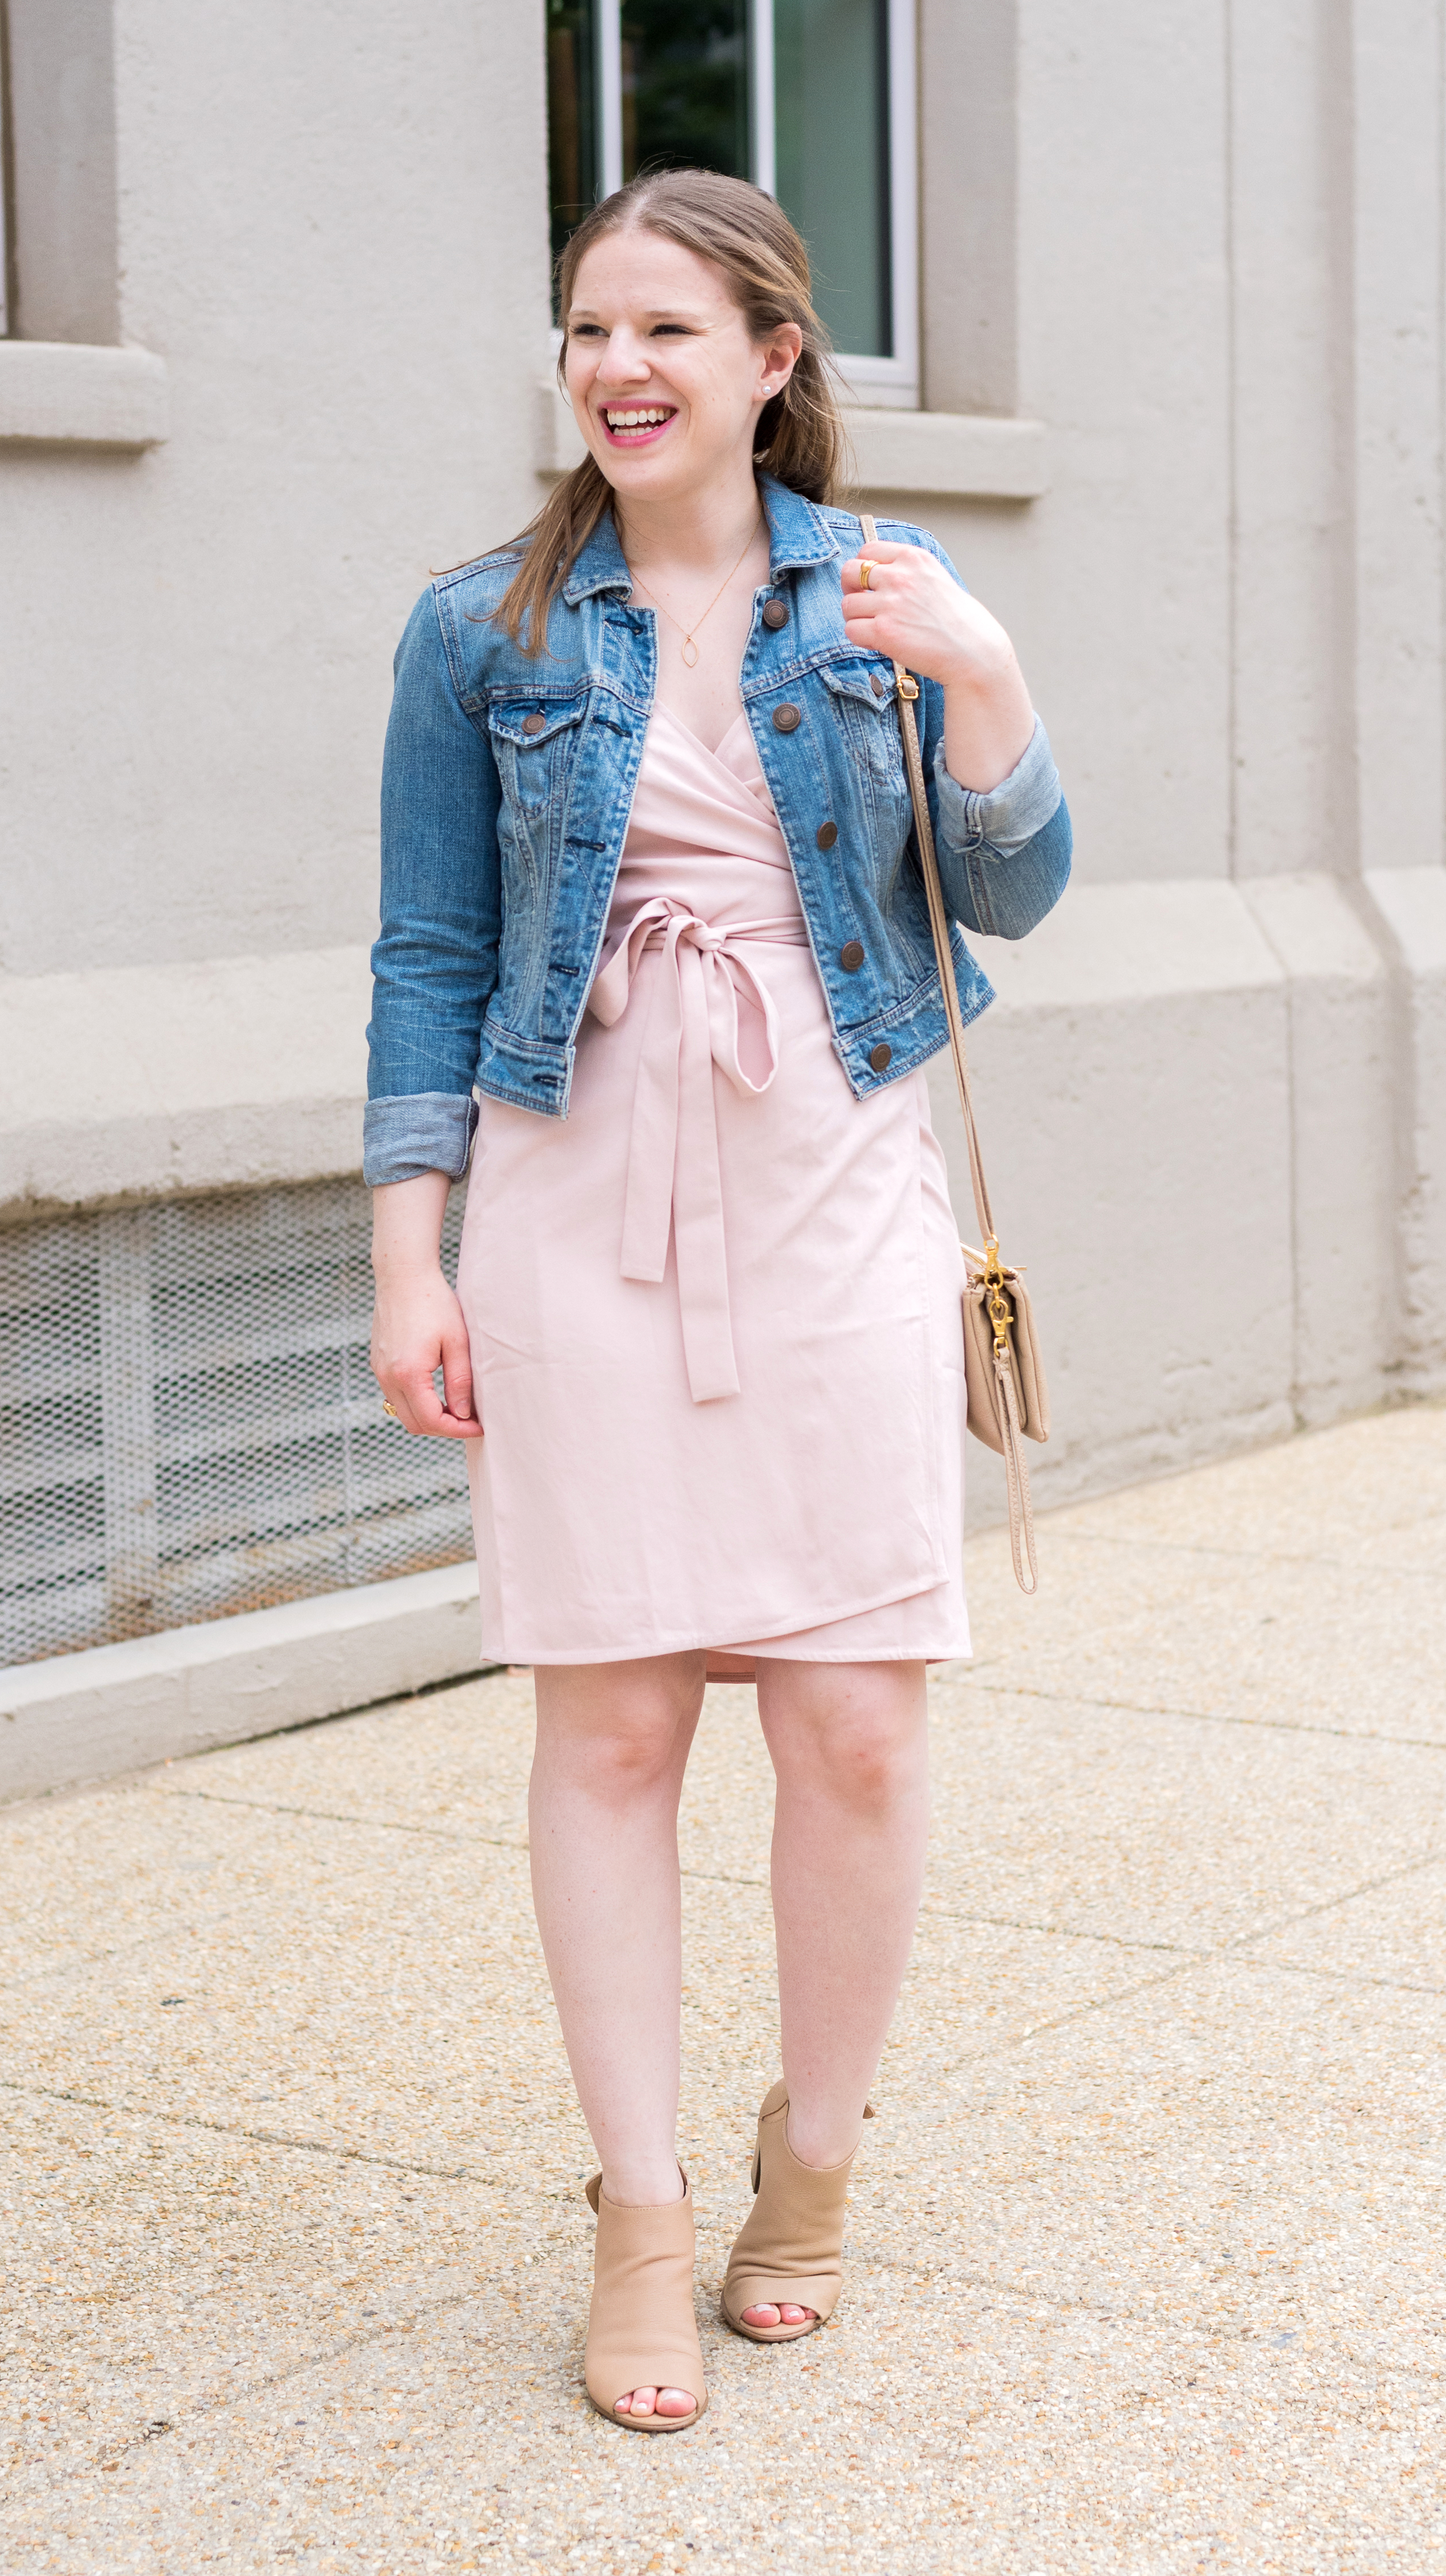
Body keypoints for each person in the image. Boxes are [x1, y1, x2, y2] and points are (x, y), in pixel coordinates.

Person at [365, 170, 1070, 2431]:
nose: (617, 370)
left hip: (830, 1176)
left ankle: (815, 2160)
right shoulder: (477, 631)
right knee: (614, 1722)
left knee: (856, 1712)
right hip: (576, 1189)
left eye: (665, 329)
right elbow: (428, 958)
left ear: (772, 359)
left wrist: (989, 676)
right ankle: (643, 2214)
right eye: (588, 330)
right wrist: (411, 1246)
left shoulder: (877, 604)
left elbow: (1010, 888)